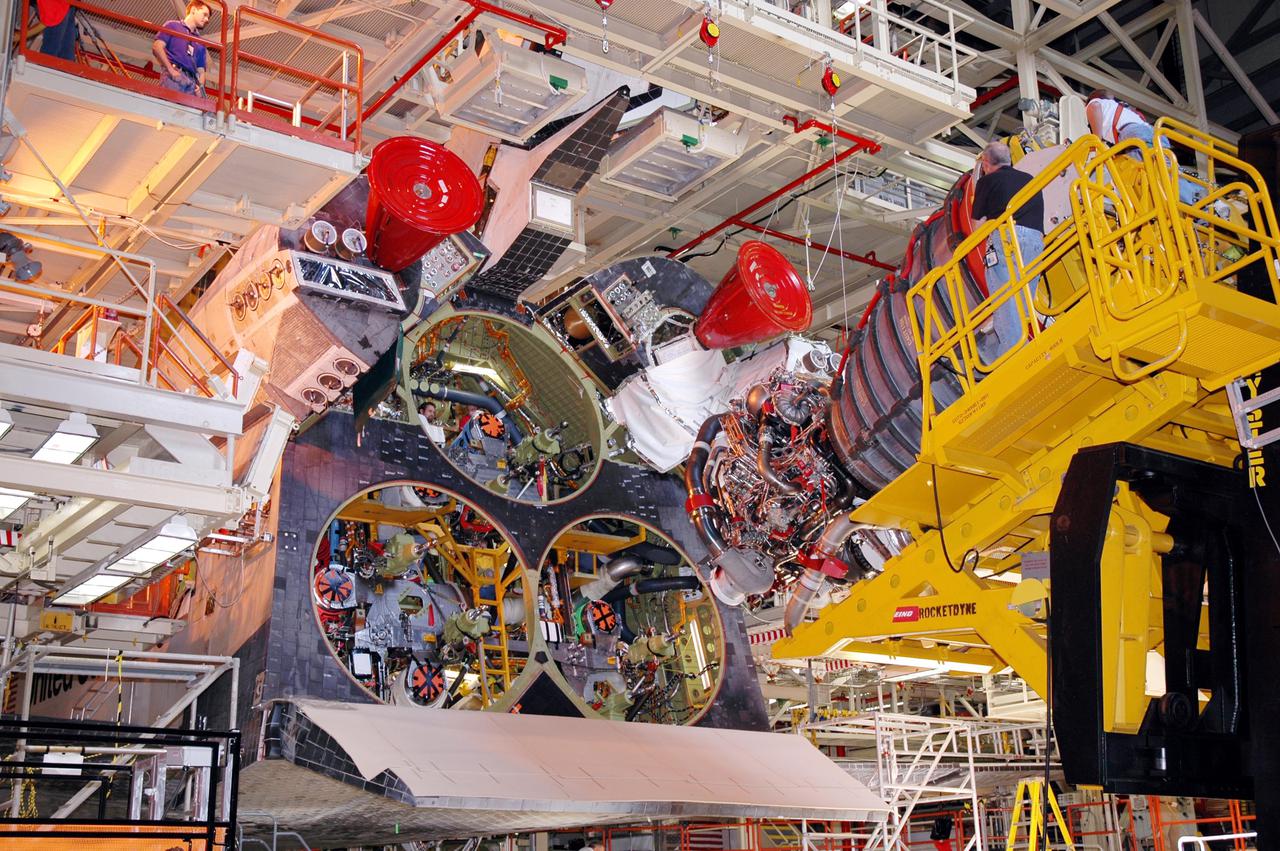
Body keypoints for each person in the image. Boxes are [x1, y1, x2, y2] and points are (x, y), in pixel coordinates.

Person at [971, 141, 1044, 360]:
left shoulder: (987, 181)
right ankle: (1019, 347)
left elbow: (977, 226)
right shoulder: (1028, 179)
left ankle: (1011, 357)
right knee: (1023, 303)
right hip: (1035, 241)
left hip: (1006, 237)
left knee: (1005, 300)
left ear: (985, 162)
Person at [152, 0, 210, 97]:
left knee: (200, 110)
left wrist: (201, 88)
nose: (207, 19)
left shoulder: (200, 43)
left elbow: (201, 71)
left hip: (192, 83)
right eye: (205, 14)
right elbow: (157, 46)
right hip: (174, 77)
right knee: (170, 107)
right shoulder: (173, 25)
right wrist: (171, 70)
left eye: (208, 17)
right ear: (193, 10)